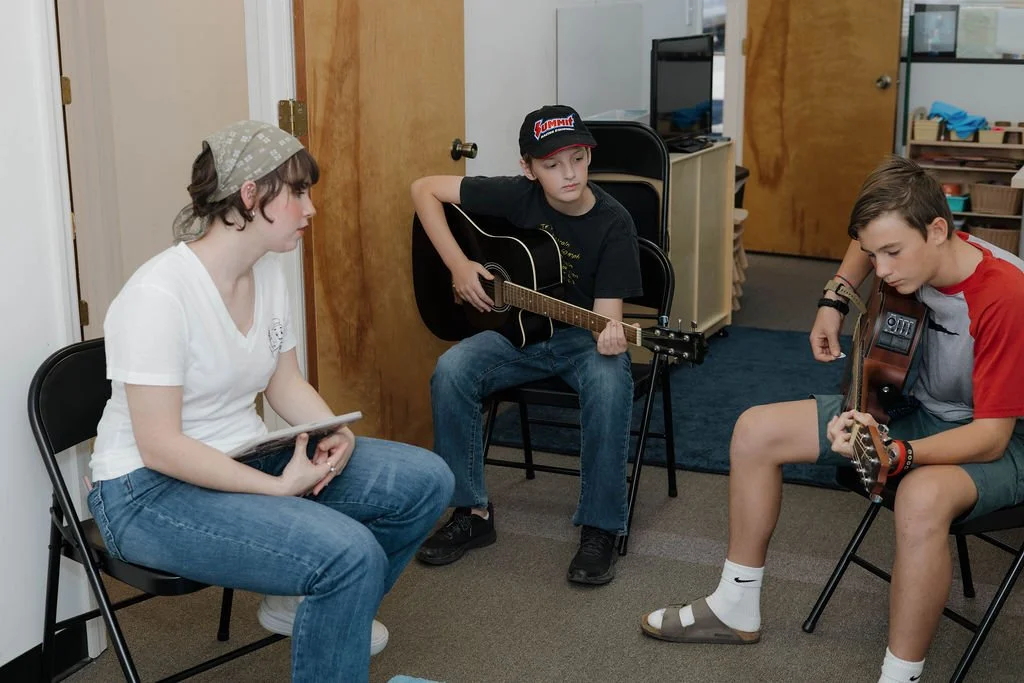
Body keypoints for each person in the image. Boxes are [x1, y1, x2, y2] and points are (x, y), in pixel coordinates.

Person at [86, 120, 454, 683]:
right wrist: (281, 488)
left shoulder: (270, 270)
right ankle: (325, 590)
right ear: (251, 195)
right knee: (348, 554)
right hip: (147, 491)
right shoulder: (158, 294)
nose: (311, 209)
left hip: (245, 452)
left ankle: (306, 602)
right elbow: (160, 447)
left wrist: (336, 430)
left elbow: (283, 384)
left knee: (426, 479)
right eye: (299, 192)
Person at [640, 155, 1024, 683]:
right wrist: (835, 299)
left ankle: (900, 675)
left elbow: (990, 437)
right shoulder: (906, 246)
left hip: (1003, 438)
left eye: (892, 254)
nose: (881, 269)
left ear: (938, 230)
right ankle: (735, 606)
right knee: (756, 429)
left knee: (920, 496)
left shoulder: (1005, 296)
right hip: (922, 408)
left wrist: (898, 453)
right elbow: (871, 237)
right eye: (874, 254)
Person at [409, 105, 643, 585]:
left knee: (609, 384)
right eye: (553, 165)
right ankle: (470, 514)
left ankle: (600, 528)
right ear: (528, 168)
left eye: (577, 159)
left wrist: (612, 332)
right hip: (514, 334)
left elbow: (608, 319)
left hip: (583, 339)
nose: (569, 174)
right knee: (452, 370)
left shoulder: (613, 222)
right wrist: (457, 265)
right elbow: (423, 190)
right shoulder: (517, 196)